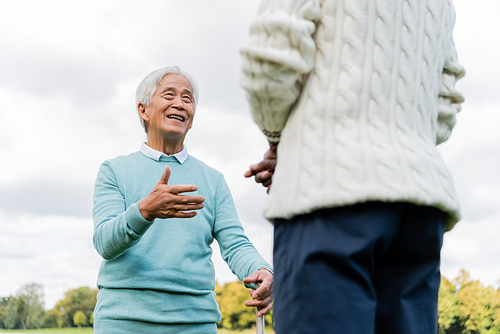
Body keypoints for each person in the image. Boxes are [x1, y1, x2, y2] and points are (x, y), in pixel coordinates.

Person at [241, 0, 465, 333]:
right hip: (419, 208)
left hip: (330, 197)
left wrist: (278, 143)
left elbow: (270, 56)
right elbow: (445, 102)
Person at [92, 66, 273, 334]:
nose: (179, 103)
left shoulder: (213, 180)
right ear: (143, 110)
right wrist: (144, 211)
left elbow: (235, 243)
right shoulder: (114, 170)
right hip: (123, 324)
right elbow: (105, 243)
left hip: (195, 324)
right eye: (169, 95)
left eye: (187, 98)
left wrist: (260, 269)